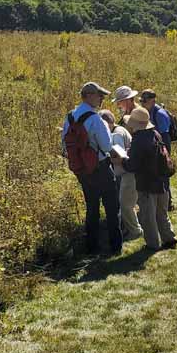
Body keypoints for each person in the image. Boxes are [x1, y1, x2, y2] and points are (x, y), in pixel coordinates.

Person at [61, 82, 123, 256]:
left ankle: (92, 247)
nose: (102, 98)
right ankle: (115, 246)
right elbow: (106, 146)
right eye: (99, 95)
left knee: (92, 206)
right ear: (88, 96)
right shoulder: (95, 119)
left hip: (81, 169)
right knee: (112, 206)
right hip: (100, 167)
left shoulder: (70, 117)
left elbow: (64, 143)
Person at [123, 107, 177, 251]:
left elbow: (132, 166)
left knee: (148, 216)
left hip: (147, 183)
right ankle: (169, 238)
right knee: (162, 213)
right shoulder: (155, 134)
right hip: (162, 180)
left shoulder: (138, 140)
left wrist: (122, 160)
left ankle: (153, 244)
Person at [100, 109, 143, 241]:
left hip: (128, 173)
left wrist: (107, 159)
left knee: (126, 205)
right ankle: (130, 227)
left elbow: (119, 157)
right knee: (128, 203)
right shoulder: (118, 130)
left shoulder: (116, 134)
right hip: (128, 172)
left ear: (107, 123)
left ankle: (135, 231)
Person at [139, 89, 175, 210]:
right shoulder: (147, 111)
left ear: (153, 101)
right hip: (155, 144)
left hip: (163, 144)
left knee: (164, 170)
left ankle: (168, 203)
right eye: (142, 101)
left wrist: (163, 152)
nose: (143, 104)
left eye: (145, 101)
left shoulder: (160, 114)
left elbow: (164, 135)